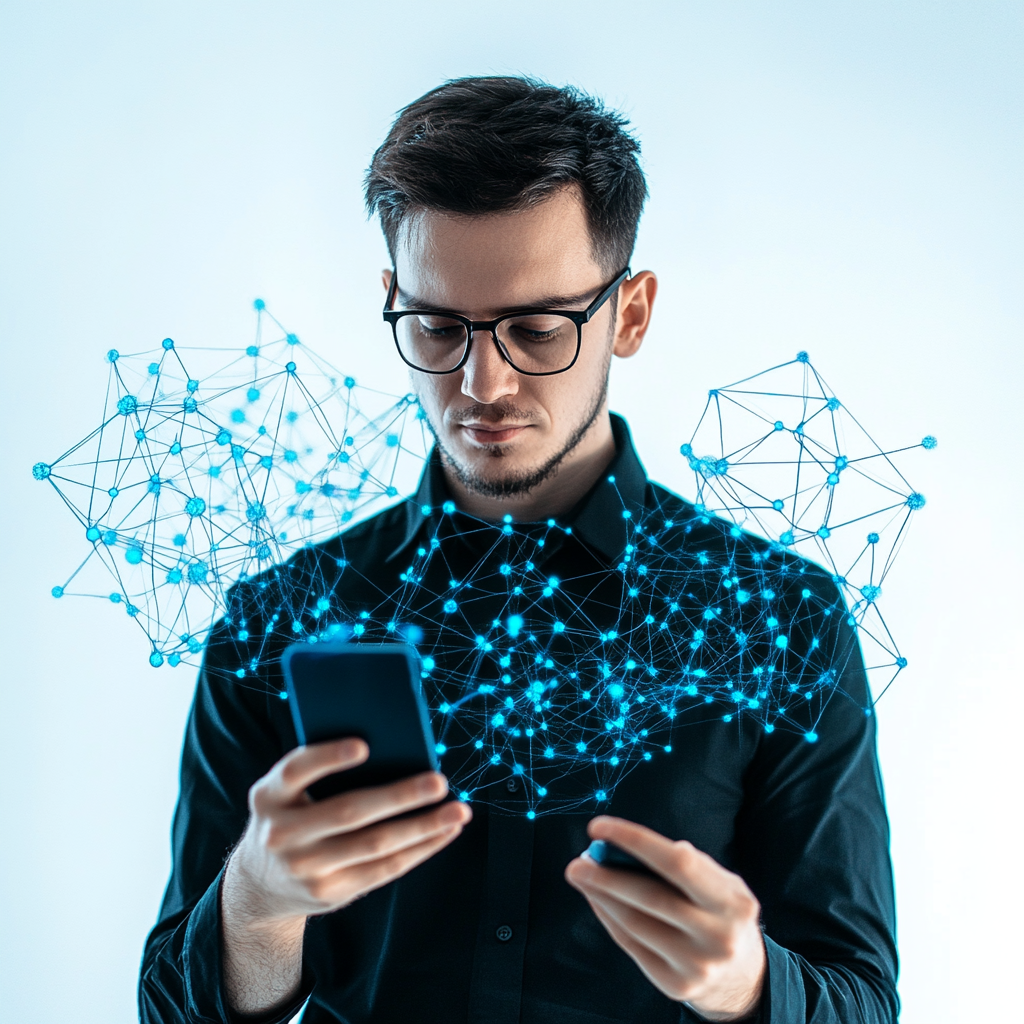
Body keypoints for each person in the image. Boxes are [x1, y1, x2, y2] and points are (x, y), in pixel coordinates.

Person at [139, 77, 898, 1024]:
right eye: (438, 327)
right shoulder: (280, 617)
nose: (481, 382)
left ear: (629, 313)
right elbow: (169, 1009)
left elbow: (861, 1000)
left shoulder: (779, 622)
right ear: (392, 301)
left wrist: (746, 986)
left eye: (538, 329)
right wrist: (256, 908)